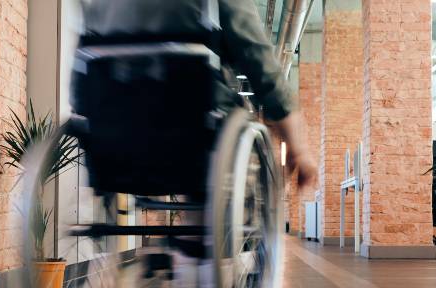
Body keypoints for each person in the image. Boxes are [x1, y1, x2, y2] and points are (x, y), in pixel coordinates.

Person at [79, 0, 317, 188]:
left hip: (113, 142)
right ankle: (203, 235)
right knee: (216, 118)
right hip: (191, 135)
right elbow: (260, 63)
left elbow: (81, 74)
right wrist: (298, 147)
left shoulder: (100, 4)